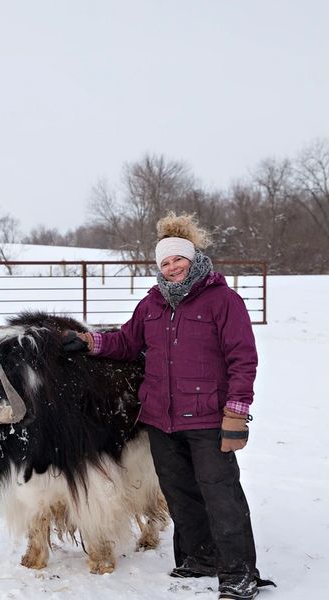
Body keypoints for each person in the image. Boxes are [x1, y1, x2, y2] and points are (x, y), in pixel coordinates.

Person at [63, 213, 274, 600]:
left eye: (178, 259)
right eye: (165, 262)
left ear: (193, 259)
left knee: (220, 494)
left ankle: (239, 572)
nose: (173, 267)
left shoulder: (222, 300)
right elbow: (127, 343)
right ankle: (200, 557)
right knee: (179, 492)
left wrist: (237, 411)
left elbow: (243, 358)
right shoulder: (152, 304)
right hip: (161, 418)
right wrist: (90, 342)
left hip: (209, 417)